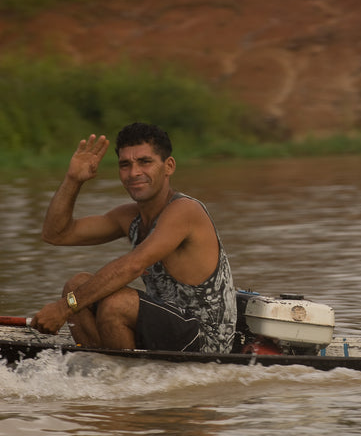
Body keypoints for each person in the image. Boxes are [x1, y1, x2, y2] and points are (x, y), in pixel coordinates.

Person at [31, 123, 238, 353]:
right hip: (164, 327)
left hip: (206, 340)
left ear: (168, 166)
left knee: (115, 304)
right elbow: (56, 234)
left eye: (145, 162)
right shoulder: (129, 216)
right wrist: (73, 179)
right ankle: (104, 370)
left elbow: (133, 265)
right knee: (76, 285)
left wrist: (64, 308)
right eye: (125, 165)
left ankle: (123, 379)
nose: (134, 173)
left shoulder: (185, 211)